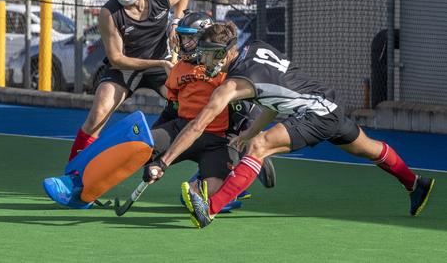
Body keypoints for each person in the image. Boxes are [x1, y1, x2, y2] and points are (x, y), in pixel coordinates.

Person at [147, 22, 435, 228]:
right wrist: (248, 131)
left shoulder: (232, 85)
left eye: (207, 53)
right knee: (369, 150)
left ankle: (209, 210)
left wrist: (164, 160)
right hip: (328, 105)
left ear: (223, 53)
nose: (202, 59)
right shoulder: (256, 47)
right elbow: (276, 96)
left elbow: (197, 126)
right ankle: (415, 184)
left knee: (259, 148)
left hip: (315, 115)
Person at [145, 12, 274, 212]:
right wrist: (156, 157)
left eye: (190, 38)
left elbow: (248, 116)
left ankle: (228, 182)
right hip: (185, 130)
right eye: (183, 37)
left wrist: (253, 152)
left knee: (191, 196)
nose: (185, 43)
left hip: (222, 139)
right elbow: (172, 108)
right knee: (142, 148)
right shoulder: (181, 68)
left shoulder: (229, 75)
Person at [68, 0, 189, 160]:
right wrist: (160, 63)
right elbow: (116, 58)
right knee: (98, 114)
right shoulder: (109, 13)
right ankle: (74, 174)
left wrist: (175, 23)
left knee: (190, 105)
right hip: (126, 67)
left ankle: (214, 170)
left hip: (160, 66)